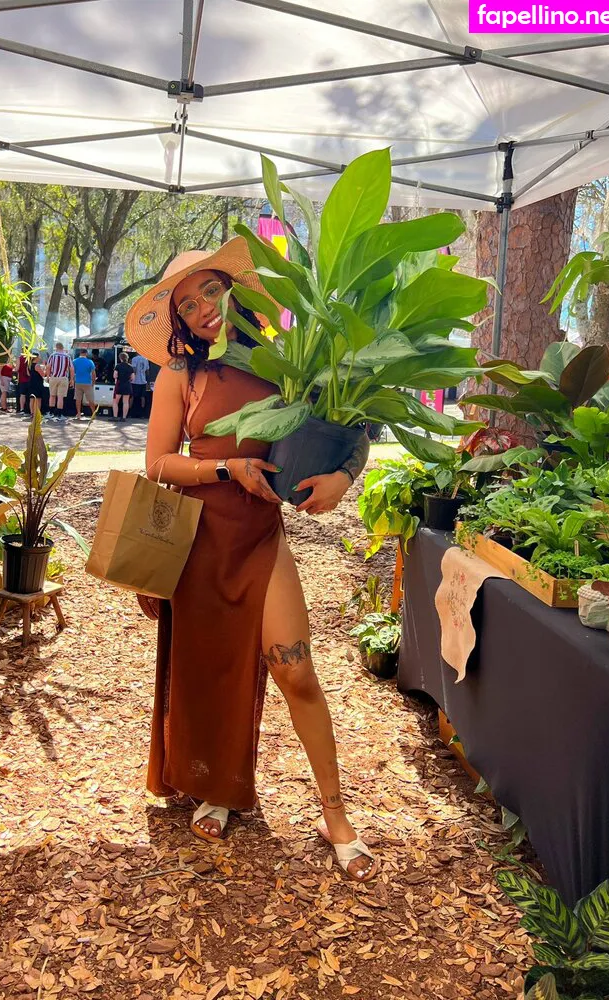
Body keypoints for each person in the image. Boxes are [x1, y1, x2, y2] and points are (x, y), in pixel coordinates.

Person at [125, 237, 375, 882]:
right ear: (179, 320)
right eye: (186, 304)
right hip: (200, 544)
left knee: (297, 671)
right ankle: (221, 789)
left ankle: (336, 814)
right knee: (213, 673)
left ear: (233, 290)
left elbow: (352, 426)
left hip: (261, 538)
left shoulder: (286, 360)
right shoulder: (180, 376)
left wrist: (344, 477)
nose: (202, 308)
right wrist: (226, 468)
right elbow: (157, 463)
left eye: (210, 289)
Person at [46, 341, 73, 422]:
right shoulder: (67, 356)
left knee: (52, 395)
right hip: (63, 378)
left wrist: (48, 376)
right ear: (63, 348)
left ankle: (51, 413)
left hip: (54, 377)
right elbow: (71, 369)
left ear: (56, 347)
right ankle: (59, 414)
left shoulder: (52, 355)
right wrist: (71, 379)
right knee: (60, 397)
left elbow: (48, 367)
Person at [72, 348, 96, 420]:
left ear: (80, 353)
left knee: (78, 399)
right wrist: (93, 382)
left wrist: (72, 380)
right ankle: (93, 414)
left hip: (78, 382)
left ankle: (79, 413)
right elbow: (93, 373)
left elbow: (72, 372)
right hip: (87, 382)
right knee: (90, 399)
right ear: (86, 353)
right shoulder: (90, 362)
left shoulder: (74, 361)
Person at [113, 351, 135, 421]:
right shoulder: (130, 367)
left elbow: (115, 375)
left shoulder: (118, 366)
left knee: (115, 401)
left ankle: (115, 417)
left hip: (119, 385)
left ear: (120, 358)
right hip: (127, 385)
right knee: (125, 402)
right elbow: (133, 378)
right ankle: (124, 417)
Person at [26, 351, 48, 421]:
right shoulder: (37, 365)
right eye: (39, 356)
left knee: (32, 399)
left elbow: (28, 374)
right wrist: (45, 368)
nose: (40, 358)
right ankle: (37, 413)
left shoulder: (29, 365)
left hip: (31, 383)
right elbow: (43, 374)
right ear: (36, 357)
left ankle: (32, 413)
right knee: (38, 399)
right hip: (37, 383)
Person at [131, 352, 150, 418]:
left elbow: (134, 369)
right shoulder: (146, 359)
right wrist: (147, 380)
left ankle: (130, 412)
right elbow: (147, 371)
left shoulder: (134, 359)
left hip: (135, 381)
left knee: (132, 396)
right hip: (143, 381)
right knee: (142, 397)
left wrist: (132, 378)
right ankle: (142, 413)